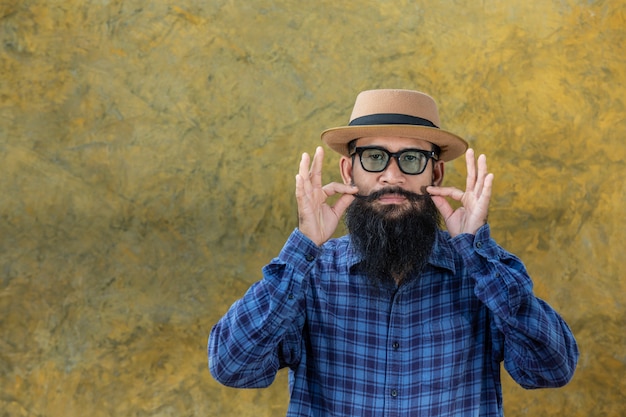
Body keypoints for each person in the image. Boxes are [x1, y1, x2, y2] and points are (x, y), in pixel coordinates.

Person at [208, 89, 579, 416]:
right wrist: (303, 247)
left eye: (411, 159)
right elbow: (232, 367)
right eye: (374, 157)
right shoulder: (310, 276)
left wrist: (478, 252)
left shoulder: (484, 276)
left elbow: (551, 370)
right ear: (348, 170)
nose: (392, 176)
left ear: (435, 173)